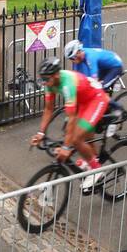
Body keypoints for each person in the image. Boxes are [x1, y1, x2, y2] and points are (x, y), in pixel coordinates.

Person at [32, 60, 107, 191]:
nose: (43, 82)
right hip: (83, 102)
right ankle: (92, 160)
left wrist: (66, 147)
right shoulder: (49, 83)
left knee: (76, 138)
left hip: (96, 99)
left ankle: (97, 169)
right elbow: (49, 109)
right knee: (81, 136)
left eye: (46, 79)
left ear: (56, 75)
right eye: (41, 78)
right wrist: (41, 133)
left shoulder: (67, 83)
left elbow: (71, 117)